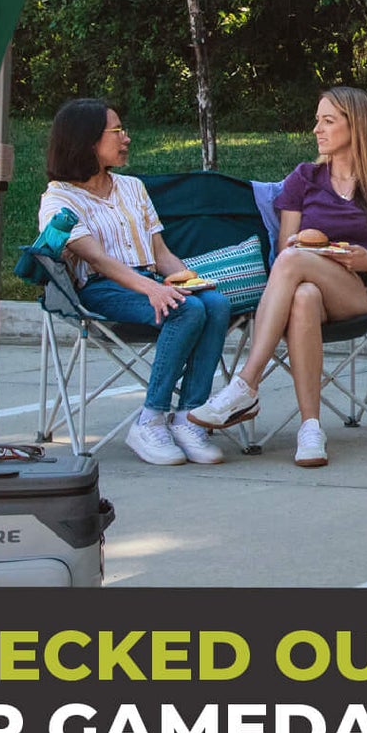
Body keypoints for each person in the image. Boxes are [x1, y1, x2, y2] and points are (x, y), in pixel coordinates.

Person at [191, 87, 367, 466]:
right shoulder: (304, 178)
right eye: (317, 120)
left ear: (355, 126)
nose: (316, 129)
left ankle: (246, 383)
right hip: (310, 287)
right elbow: (284, 248)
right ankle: (311, 429)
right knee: (304, 293)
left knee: (295, 263)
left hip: (362, 291)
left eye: (328, 121)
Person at [37, 99, 234, 468]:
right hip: (100, 288)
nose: (126, 138)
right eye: (117, 131)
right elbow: (97, 259)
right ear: (87, 141)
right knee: (185, 309)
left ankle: (190, 418)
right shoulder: (58, 198)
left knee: (215, 303)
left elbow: (161, 254)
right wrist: (155, 290)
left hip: (148, 280)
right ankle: (150, 418)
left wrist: (192, 279)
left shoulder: (132, 188)